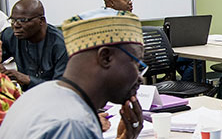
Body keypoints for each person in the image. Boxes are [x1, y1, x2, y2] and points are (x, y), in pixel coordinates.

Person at [0, 8, 145, 138]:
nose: (140, 77)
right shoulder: (72, 124)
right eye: (136, 62)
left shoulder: (37, 95)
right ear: (105, 57)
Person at [0, 0, 68, 90]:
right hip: (27, 97)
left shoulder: (61, 45)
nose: (16, 25)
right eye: (12, 20)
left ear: (41, 21)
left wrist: (27, 79)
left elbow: (62, 88)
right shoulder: (10, 36)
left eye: (23, 20)